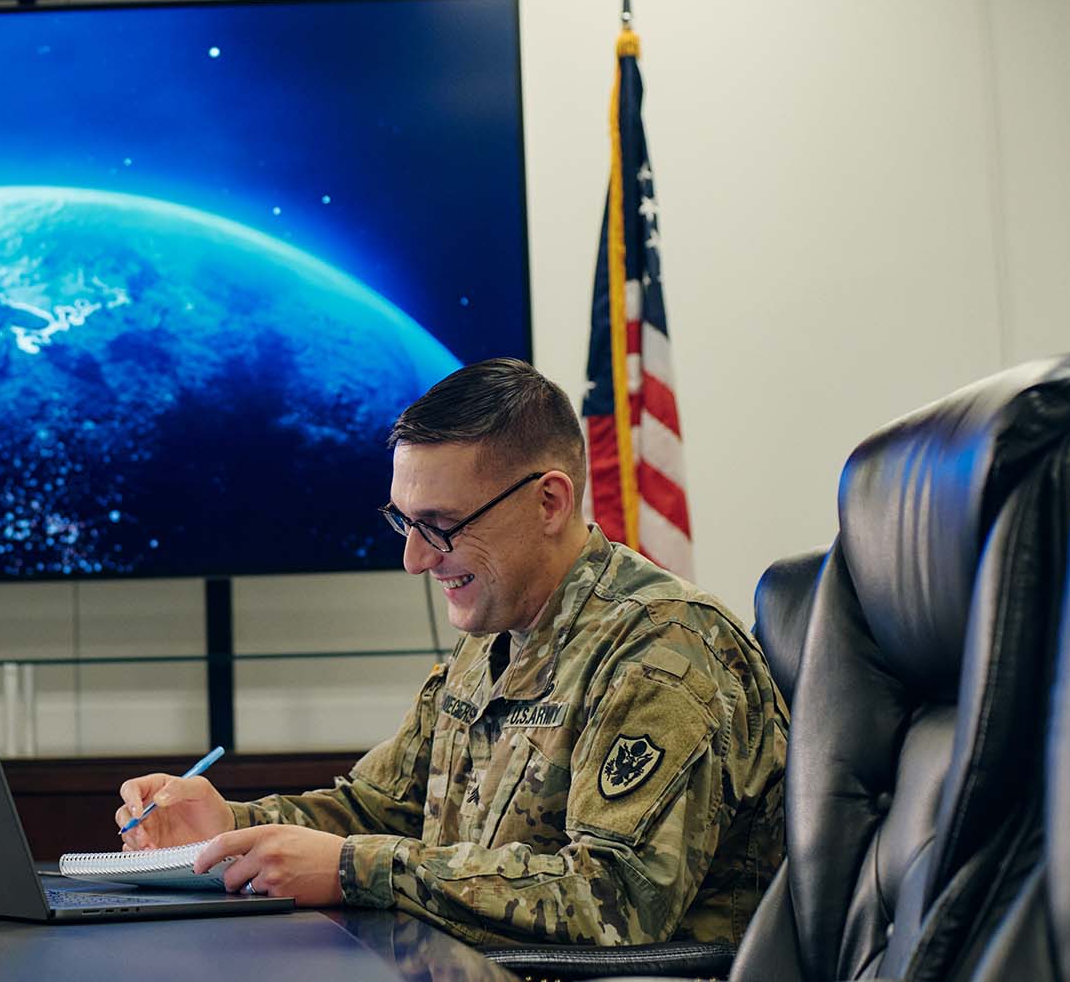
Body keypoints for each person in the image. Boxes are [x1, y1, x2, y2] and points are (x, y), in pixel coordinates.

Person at [115, 358, 788, 947]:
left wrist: (356, 868)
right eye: (405, 523)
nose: (413, 560)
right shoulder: (492, 636)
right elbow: (381, 808)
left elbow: (611, 901)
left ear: (550, 501)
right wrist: (231, 824)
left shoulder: (664, 650)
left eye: (440, 527)